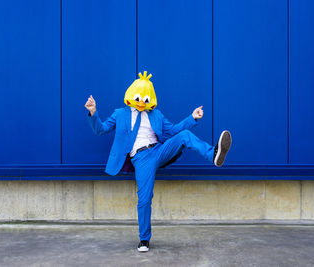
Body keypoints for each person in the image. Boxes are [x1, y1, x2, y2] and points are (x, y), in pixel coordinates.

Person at [85, 71, 231, 252]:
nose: (141, 102)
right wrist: (93, 112)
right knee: (144, 199)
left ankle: (213, 154)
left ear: (151, 99)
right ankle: (144, 239)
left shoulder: (156, 115)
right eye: (138, 98)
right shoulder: (120, 114)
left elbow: (174, 131)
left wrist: (192, 118)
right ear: (131, 95)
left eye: (146, 100)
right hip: (140, 158)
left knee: (184, 135)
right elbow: (101, 129)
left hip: (158, 151)